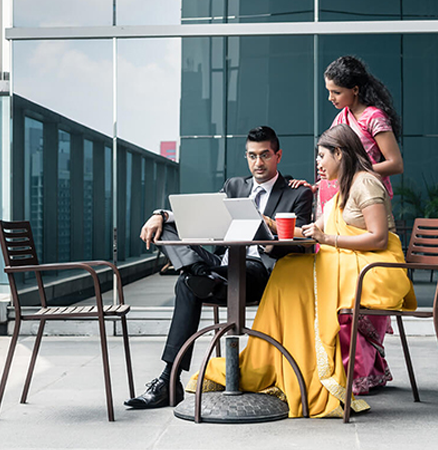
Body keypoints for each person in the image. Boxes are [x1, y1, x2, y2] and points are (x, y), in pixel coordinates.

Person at [189, 124, 416, 418]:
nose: (318, 163)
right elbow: (309, 231)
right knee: (286, 269)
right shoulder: (341, 190)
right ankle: (277, 361)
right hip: (348, 261)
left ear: (339, 153)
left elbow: (379, 239)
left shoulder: (366, 183)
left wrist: (329, 239)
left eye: (322, 156)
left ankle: (299, 367)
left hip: (373, 267)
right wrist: (269, 224)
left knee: (292, 275)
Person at [124, 126, 313, 409]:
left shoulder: (296, 193)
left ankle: (168, 380)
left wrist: (268, 230)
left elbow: (301, 242)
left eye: (264, 155)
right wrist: (159, 215)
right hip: (221, 265)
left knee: (185, 284)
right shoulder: (234, 186)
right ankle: (199, 272)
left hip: (257, 270)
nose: (258, 163)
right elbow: (201, 214)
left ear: (278, 156)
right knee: (169, 229)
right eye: (252, 156)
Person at [293, 55, 405, 395]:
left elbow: (395, 163)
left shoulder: (374, 118)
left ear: (355, 90)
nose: (331, 98)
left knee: (348, 288)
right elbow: (336, 158)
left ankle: (359, 370)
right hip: (335, 204)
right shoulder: (341, 117)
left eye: (336, 92)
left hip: (363, 205)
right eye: (329, 91)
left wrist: (354, 174)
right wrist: (320, 184)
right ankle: (335, 367)